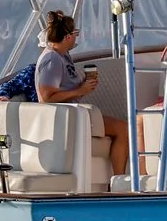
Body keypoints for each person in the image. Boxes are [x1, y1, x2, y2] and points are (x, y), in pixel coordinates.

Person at [32, 9, 128, 174]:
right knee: (123, 129)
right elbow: (46, 97)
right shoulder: (52, 59)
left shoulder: (62, 55)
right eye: (76, 33)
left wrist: (83, 87)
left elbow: (65, 89)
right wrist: (79, 90)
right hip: (66, 117)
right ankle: (118, 180)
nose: (77, 37)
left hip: (74, 112)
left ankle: (117, 179)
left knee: (123, 127)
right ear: (68, 37)